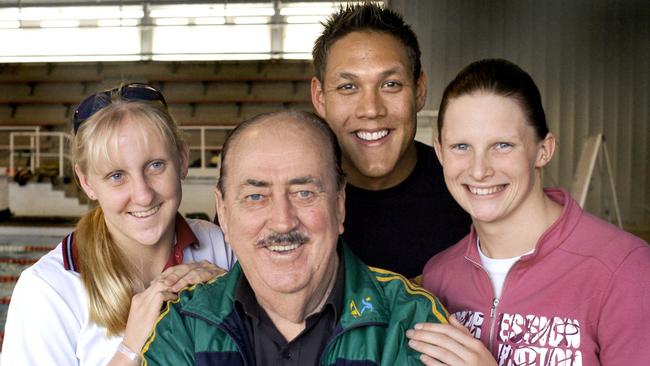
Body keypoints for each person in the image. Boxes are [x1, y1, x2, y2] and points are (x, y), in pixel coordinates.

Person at [142, 110, 448, 365]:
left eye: (304, 193)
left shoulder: (409, 321)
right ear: (223, 212)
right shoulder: (184, 326)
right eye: (255, 196)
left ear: (339, 204)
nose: (282, 221)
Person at [406, 59, 650, 365]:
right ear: (440, 151)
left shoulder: (624, 270)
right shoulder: (439, 277)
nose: (479, 170)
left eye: (503, 145)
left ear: (543, 150)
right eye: (461, 147)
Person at [1, 83, 235, 365]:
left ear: (183, 159)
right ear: (86, 182)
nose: (143, 194)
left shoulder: (223, 246)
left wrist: (232, 288)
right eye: (116, 176)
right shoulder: (49, 290)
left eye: (156, 165)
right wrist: (130, 348)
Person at [311, 3, 470, 278]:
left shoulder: (471, 192)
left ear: (419, 91)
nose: (371, 109)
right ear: (320, 97)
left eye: (390, 84)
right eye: (348, 87)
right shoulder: (286, 201)